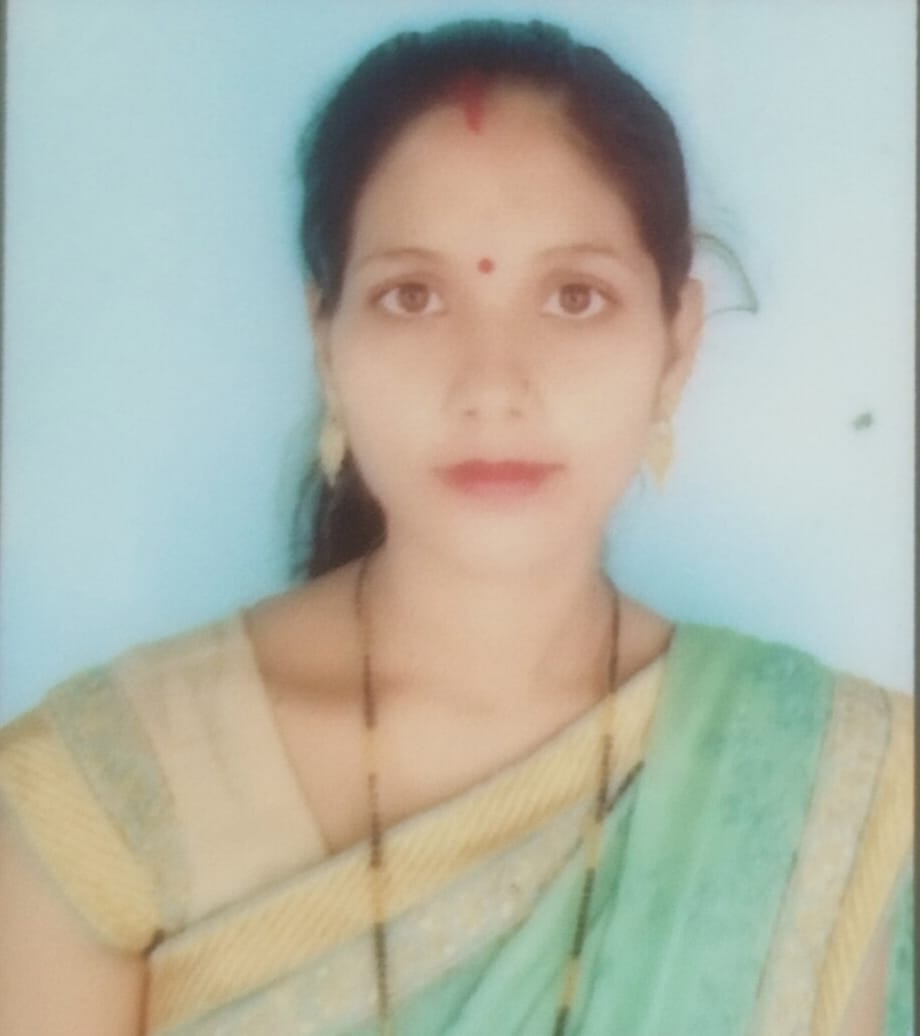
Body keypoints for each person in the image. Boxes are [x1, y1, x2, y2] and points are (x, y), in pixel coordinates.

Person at [0, 18, 911, 1036]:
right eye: (412, 296)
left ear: (676, 345)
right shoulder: (102, 796)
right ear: (326, 342)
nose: (491, 385)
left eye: (574, 297)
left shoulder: (824, 786)